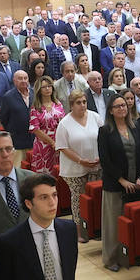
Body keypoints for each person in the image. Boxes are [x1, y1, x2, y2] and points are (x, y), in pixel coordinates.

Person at [97, 96, 140, 271]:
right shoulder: (105, 131)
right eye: (117, 106)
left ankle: (131, 255)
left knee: (133, 223)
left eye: (123, 105)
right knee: (113, 223)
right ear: (110, 110)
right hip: (115, 184)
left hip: (137, 184)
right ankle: (111, 259)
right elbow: (105, 160)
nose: (122, 109)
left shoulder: (136, 126)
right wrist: (122, 180)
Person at [55, 90, 102, 243]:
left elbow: (104, 137)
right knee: (78, 200)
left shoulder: (95, 117)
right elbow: (62, 147)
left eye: (84, 102)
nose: (82, 105)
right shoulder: (65, 123)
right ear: (71, 105)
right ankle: (78, 232)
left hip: (96, 166)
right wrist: (81, 160)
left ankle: (95, 228)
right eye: (78, 103)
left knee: (95, 199)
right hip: (74, 169)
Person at [27, 76, 64, 176]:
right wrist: (52, 142)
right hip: (43, 145)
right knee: (44, 175)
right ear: (39, 90)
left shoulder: (58, 104)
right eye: (44, 87)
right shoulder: (36, 107)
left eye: (49, 86)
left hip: (59, 142)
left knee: (58, 173)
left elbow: (63, 123)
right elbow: (35, 129)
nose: (47, 89)